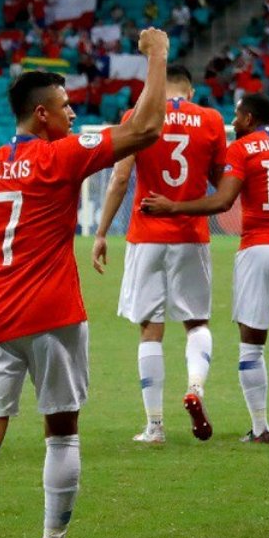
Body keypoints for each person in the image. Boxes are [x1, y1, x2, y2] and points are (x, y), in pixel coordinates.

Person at [0, 28, 169, 538]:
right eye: (65, 108)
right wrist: (157, 57)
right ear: (42, 115)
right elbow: (146, 128)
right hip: (55, 314)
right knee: (61, 432)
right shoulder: (60, 157)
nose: (72, 115)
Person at [140, 93, 269, 443]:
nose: (233, 122)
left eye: (238, 116)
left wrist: (173, 206)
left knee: (252, 345)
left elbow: (222, 200)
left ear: (251, 118)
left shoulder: (241, 150)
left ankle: (260, 428)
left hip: (259, 249)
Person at [92, 65, 226, 444]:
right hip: (191, 233)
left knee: (150, 327)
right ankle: (195, 388)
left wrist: (101, 232)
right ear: (191, 89)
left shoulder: (139, 115)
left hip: (146, 232)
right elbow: (221, 181)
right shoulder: (211, 119)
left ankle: (154, 426)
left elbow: (120, 178)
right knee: (196, 322)